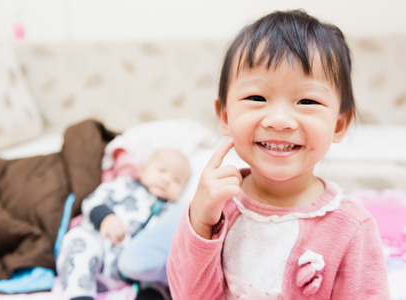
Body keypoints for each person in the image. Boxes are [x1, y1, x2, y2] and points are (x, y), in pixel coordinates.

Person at [167, 9, 390, 300]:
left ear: (338, 125)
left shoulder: (351, 229)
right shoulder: (220, 207)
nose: (280, 120)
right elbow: (188, 295)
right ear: (224, 115)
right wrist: (200, 221)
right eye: (257, 98)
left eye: (307, 100)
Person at [56, 148, 190, 300]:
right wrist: (106, 217)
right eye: (162, 170)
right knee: (78, 239)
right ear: (143, 170)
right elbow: (92, 201)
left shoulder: (171, 212)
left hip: (133, 274)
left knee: (163, 276)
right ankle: (79, 296)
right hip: (100, 250)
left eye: (176, 180)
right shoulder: (124, 185)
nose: (167, 180)